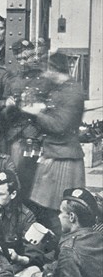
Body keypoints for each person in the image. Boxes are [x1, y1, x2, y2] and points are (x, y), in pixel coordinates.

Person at [22, 52, 86, 235]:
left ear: (54, 69)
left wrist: (37, 113)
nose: (44, 74)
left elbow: (60, 125)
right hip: (54, 153)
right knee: (44, 207)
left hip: (64, 157)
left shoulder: (72, 91)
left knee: (61, 211)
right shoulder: (60, 88)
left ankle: (62, 250)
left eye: (46, 69)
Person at [0, 39, 48, 200]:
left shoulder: (45, 79)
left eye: (26, 58)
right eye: (19, 58)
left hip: (39, 134)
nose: (23, 62)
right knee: (18, 174)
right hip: (18, 135)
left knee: (41, 177)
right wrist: (9, 106)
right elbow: (5, 114)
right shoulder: (11, 80)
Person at [0, 170, 45, 272]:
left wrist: (18, 258)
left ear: (13, 194)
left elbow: (35, 256)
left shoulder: (26, 217)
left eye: (0, 194)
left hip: (9, 266)